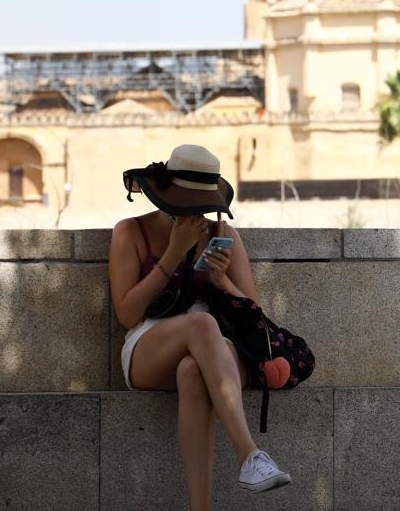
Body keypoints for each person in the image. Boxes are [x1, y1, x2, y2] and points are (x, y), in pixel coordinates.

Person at [110, 144, 291, 509]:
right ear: (167, 197)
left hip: (215, 350)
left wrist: (223, 281)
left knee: (193, 371)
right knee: (201, 324)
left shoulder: (224, 235)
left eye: (202, 204)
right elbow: (128, 314)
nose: (198, 212)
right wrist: (175, 252)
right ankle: (249, 454)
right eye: (187, 202)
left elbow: (253, 311)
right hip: (150, 344)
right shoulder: (130, 233)